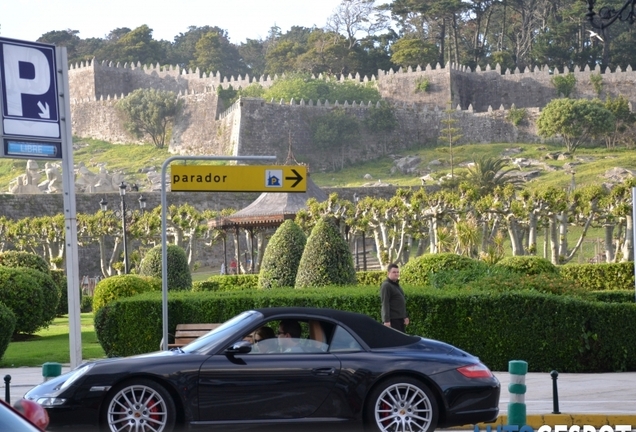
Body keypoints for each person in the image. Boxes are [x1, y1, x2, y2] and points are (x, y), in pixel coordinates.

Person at [380, 263, 409, 332]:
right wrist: (386, 320)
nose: (396, 274)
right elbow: (385, 303)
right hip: (393, 320)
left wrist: (405, 316)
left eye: (397, 272)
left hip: (400, 319)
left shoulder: (396, 285)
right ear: (388, 273)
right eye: (394, 272)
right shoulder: (386, 285)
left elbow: (400, 303)